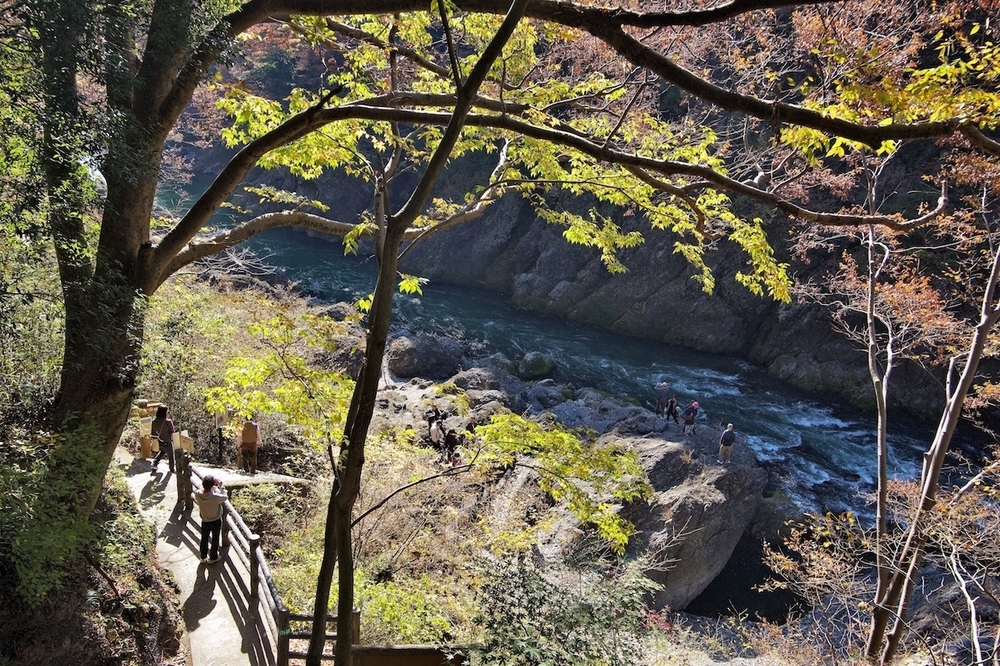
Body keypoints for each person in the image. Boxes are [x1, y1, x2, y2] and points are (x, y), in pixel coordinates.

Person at [195, 475, 228, 564]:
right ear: (212, 485)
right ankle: (213, 557)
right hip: (215, 520)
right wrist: (221, 486)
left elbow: (204, 490)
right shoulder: (214, 497)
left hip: (204, 520)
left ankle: (203, 557)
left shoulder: (198, 494)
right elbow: (224, 496)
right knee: (215, 539)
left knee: (204, 539)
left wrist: (213, 485)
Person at [150, 405, 176, 474]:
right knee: (170, 455)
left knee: (162, 451)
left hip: (158, 441)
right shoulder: (168, 422)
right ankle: (171, 469)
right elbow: (172, 431)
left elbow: (152, 432)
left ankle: (154, 463)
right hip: (167, 441)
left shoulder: (153, 422)